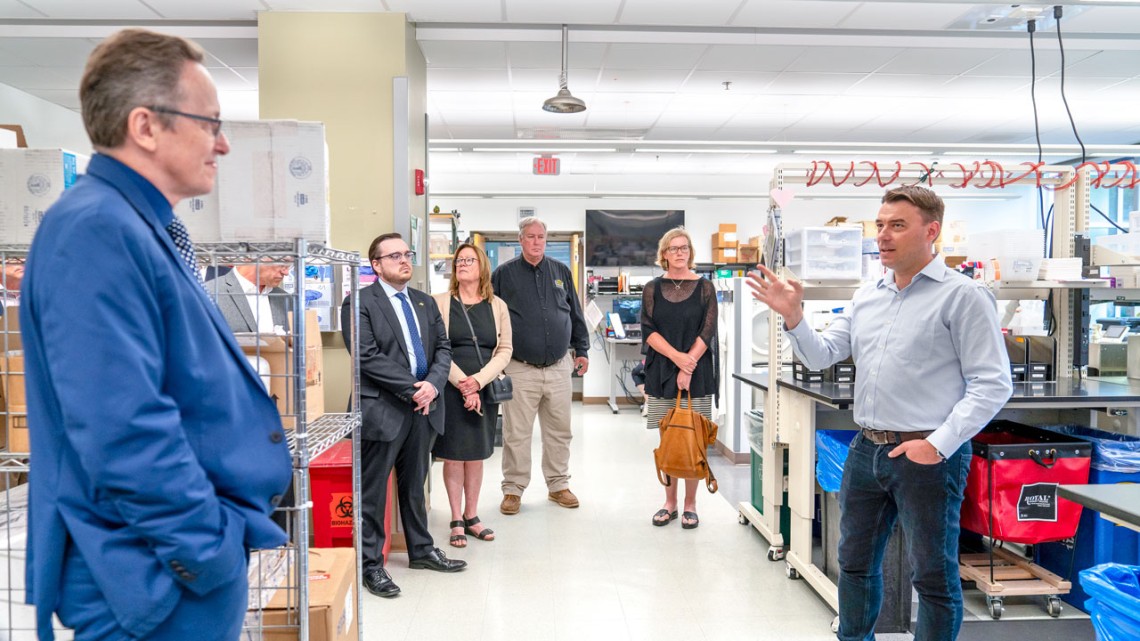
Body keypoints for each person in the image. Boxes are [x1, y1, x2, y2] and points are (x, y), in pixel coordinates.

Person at [18, 28, 293, 641]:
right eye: (209, 123)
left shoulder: (142, 228)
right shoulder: (95, 231)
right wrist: (206, 553)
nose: (221, 144)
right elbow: (122, 427)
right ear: (145, 126)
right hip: (150, 579)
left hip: (171, 568)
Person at [747, 185, 1012, 641]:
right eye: (880, 226)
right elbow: (822, 355)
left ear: (932, 231)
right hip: (867, 450)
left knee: (931, 576)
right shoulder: (869, 294)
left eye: (897, 225)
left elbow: (992, 384)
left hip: (927, 455)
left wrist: (938, 444)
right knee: (854, 563)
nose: (883, 236)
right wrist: (794, 317)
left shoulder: (964, 297)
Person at [342, 232, 465, 600]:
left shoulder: (426, 303)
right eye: (394, 255)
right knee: (373, 491)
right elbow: (365, 355)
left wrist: (432, 386)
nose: (404, 260)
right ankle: (370, 566)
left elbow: (444, 349)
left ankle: (422, 551)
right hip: (382, 409)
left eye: (407, 254)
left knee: (415, 487)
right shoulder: (360, 302)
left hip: (424, 410)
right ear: (376, 264)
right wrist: (414, 387)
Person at [492, 217, 590, 515]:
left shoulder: (560, 271)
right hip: (520, 367)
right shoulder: (503, 275)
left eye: (541, 237)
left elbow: (574, 311)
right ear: (520, 240)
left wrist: (582, 348)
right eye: (531, 237)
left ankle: (558, 485)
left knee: (560, 430)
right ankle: (513, 489)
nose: (536, 242)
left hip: (560, 367)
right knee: (517, 433)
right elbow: (492, 316)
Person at [205, 260, 296, 533]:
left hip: (279, 417)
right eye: (282, 264)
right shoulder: (212, 292)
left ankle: (280, 552)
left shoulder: (283, 299)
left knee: (281, 496)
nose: (286, 272)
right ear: (259, 255)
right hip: (230, 418)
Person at [431, 243, 513, 547]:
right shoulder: (438, 303)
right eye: (459, 260)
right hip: (450, 388)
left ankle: (472, 514)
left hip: (485, 386)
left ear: (482, 267)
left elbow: (505, 350)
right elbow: (435, 347)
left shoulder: (498, 306)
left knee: (476, 454)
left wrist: (477, 382)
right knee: (453, 455)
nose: (462, 264)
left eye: (469, 260)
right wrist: (462, 383)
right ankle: (455, 518)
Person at [642, 227, 718, 529]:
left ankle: (690, 504)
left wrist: (688, 366)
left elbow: (707, 330)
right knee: (670, 439)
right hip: (662, 372)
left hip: (697, 372)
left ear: (690, 252)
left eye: (684, 247)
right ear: (664, 254)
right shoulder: (652, 288)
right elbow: (649, 332)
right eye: (673, 248)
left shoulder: (704, 288)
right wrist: (678, 360)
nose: (679, 253)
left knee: (693, 439)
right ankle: (669, 503)